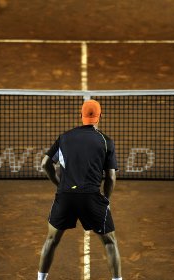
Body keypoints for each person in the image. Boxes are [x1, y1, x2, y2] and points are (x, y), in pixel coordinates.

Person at [37, 99, 122, 280]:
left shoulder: (65, 137)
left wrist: (59, 184)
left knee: (51, 240)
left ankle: (40, 279)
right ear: (100, 117)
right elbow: (111, 178)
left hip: (66, 196)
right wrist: (105, 201)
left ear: (80, 116)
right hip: (91, 198)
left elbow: (45, 164)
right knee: (109, 242)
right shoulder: (106, 142)